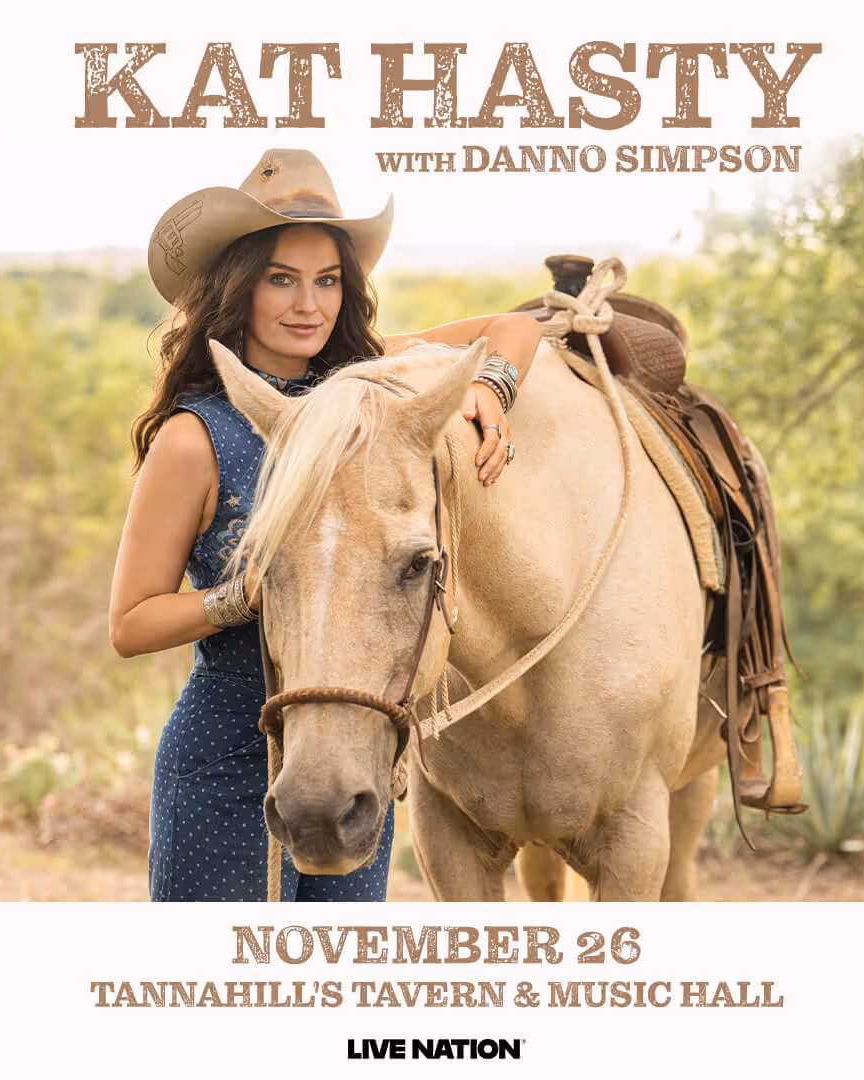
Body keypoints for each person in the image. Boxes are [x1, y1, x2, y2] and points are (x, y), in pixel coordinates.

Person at [108, 149, 543, 901]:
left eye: (328, 280)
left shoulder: (355, 390)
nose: (308, 305)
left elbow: (513, 327)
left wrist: (491, 388)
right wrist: (243, 597)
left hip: (350, 759)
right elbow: (130, 622)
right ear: (234, 289)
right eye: (281, 279)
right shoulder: (195, 438)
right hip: (227, 769)